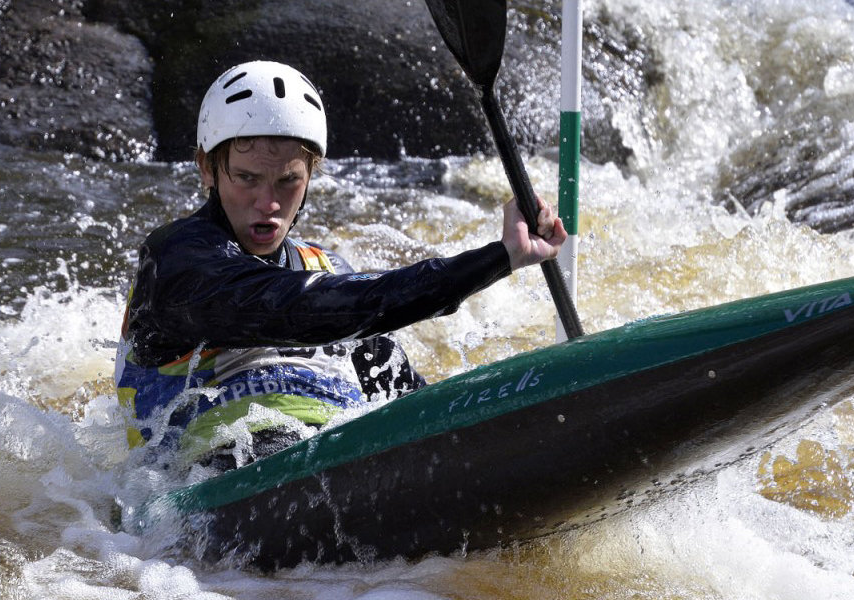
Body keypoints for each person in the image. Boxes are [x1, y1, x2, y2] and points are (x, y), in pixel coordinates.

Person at [115, 60, 566, 472]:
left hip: (346, 454)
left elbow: (407, 400)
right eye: (247, 178)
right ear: (207, 169)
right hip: (215, 476)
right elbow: (303, 310)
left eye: (288, 180)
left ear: (312, 174)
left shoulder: (325, 267)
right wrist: (497, 258)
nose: (268, 203)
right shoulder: (175, 262)